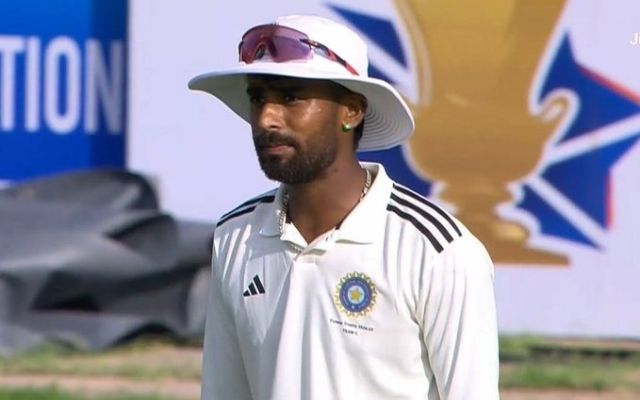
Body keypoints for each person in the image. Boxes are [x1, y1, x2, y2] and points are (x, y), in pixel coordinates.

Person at [189, 14, 499, 400]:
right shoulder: (235, 236)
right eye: (257, 98)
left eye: (291, 97)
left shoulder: (437, 251)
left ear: (351, 110)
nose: (266, 118)